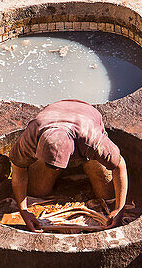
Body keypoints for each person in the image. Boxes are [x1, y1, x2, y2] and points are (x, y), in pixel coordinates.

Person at [9, 99, 128, 233]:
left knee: (107, 195)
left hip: (85, 117)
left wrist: (119, 208)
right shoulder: (31, 136)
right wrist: (23, 210)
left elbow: (119, 165)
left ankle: (88, 166)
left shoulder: (92, 141)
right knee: (37, 192)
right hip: (54, 113)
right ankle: (50, 170)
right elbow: (18, 169)